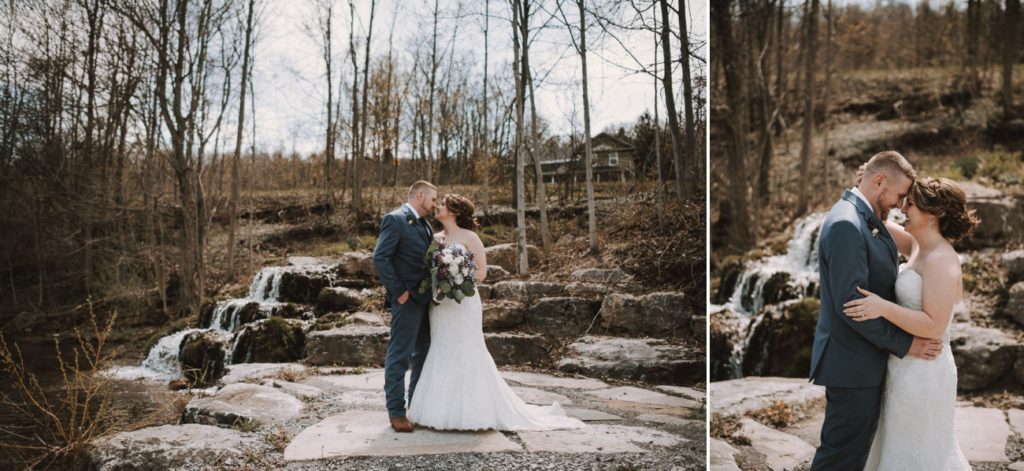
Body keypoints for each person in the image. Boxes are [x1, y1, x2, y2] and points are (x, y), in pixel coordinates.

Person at [808, 151, 944, 470]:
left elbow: (915, 244)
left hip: (862, 362)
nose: (900, 204)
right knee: (839, 459)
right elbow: (852, 308)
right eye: (899, 196)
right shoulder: (847, 224)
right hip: (851, 364)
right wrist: (906, 344)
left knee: (852, 456)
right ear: (879, 182)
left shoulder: (864, 217)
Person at [406, 193, 584, 431]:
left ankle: (472, 411)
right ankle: (437, 410)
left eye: (443, 205)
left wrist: (456, 277)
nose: (437, 207)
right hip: (440, 305)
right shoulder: (435, 237)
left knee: (466, 349)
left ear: (454, 212)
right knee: (441, 348)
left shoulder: (470, 237)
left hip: (463, 303)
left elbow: (481, 273)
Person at [845, 177, 978, 470]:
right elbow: (874, 219)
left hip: (925, 373)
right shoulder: (917, 245)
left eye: (911, 204)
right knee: (896, 446)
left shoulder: (942, 259)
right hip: (904, 365)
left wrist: (882, 308)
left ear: (933, 214)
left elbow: (933, 326)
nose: (903, 208)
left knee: (920, 451)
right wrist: (868, 185)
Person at [372, 180, 438, 433]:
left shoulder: (426, 225)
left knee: (422, 355)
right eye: (433, 199)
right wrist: (398, 292)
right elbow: (380, 257)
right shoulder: (395, 220)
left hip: (426, 301)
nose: (434, 205)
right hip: (407, 301)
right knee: (400, 356)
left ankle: (416, 406)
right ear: (420, 195)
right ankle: (396, 413)